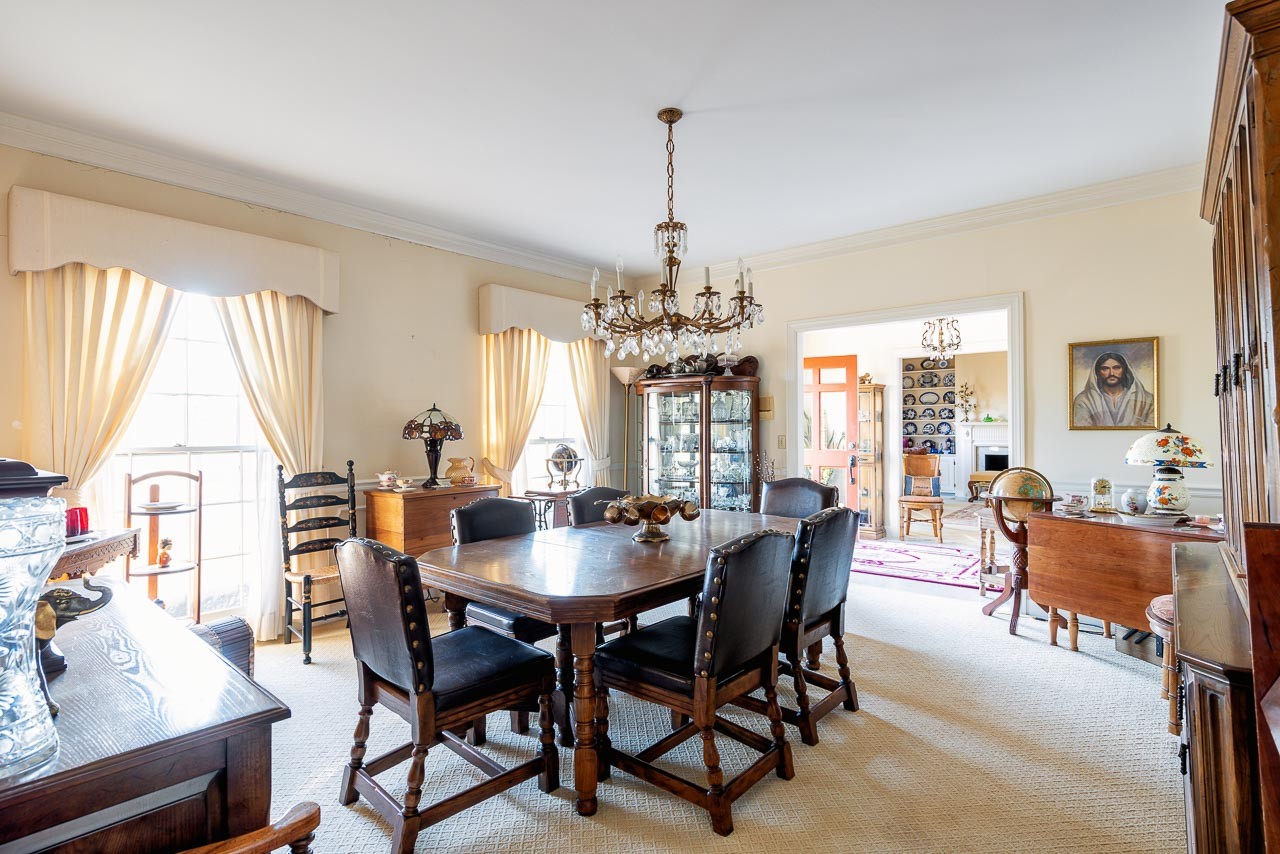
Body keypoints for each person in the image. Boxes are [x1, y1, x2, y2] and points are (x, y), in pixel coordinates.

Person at [1072, 351, 1155, 428]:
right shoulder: (1084, 400)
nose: (1111, 373)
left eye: (1116, 368)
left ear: (1124, 370)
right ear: (1098, 372)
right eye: (1105, 369)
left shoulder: (1147, 399)